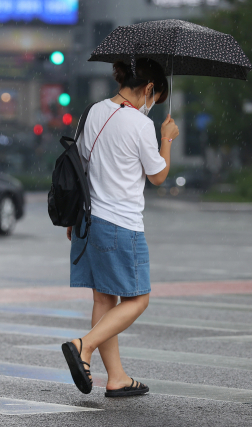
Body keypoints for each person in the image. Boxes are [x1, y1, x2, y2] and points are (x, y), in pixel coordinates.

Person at [61, 58, 179, 397]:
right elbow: (157, 175)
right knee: (138, 299)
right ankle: (82, 345)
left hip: (89, 220)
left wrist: (73, 219)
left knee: (104, 299)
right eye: (154, 96)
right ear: (148, 89)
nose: (153, 103)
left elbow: (80, 168)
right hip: (121, 225)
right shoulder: (140, 125)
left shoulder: (92, 112)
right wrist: (166, 138)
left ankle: (116, 377)